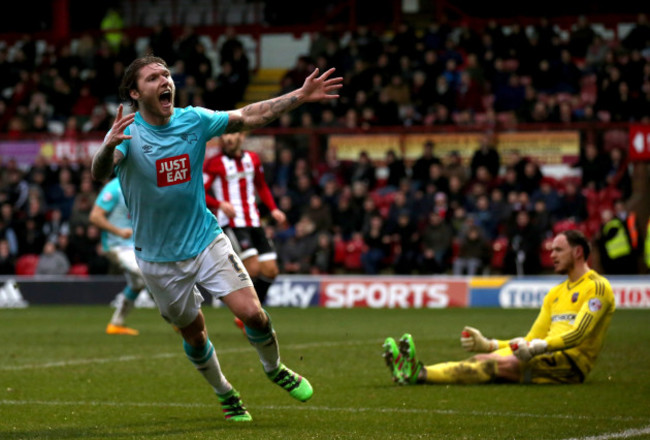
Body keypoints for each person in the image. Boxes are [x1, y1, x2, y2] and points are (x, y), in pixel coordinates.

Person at [91, 55, 341, 422]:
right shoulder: (127, 134)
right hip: (159, 259)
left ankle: (274, 368)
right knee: (194, 334)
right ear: (134, 92)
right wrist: (106, 146)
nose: (165, 81)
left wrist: (299, 96)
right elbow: (100, 172)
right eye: (152, 78)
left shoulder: (193, 120)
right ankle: (226, 392)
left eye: (167, 75)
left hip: (206, 239)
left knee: (252, 314)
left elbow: (248, 115)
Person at [383, 230, 615, 386]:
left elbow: (578, 334)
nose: (551, 255)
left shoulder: (597, 287)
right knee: (484, 357)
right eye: (551, 250)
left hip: (570, 365)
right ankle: (414, 371)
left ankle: (417, 374)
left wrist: (537, 348)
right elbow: (532, 337)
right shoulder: (555, 293)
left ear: (578, 252)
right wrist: (491, 343)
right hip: (544, 352)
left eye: (558, 250)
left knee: (496, 364)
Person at [203, 131, 285, 329]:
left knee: (271, 271)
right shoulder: (213, 163)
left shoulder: (253, 159)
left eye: (233, 134)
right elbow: (199, 190)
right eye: (225, 135)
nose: (228, 138)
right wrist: (219, 203)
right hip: (232, 223)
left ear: (241, 136)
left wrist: (273, 209)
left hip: (254, 221)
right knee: (253, 267)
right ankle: (247, 314)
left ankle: (250, 313)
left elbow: (261, 186)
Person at [89, 177, 149, 336]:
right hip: (117, 246)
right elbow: (95, 216)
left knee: (137, 283)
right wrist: (119, 232)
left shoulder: (141, 185)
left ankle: (116, 324)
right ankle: (178, 319)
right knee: (147, 273)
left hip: (137, 245)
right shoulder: (114, 188)